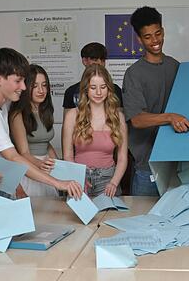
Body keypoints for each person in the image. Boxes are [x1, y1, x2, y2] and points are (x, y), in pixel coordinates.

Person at [0, 48, 82, 236]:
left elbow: (2, 161)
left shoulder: (0, 108)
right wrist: (58, 183)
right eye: (18, 81)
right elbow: (13, 156)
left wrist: (17, 191)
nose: (24, 87)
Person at [122, 6, 189, 196]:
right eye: (148, 37)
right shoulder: (134, 74)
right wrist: (170, 117)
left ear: (163, 31)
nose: (155, 41)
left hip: (177, 162)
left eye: (158, 33)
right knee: (143, 221)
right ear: (139, 39)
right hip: (148, 167)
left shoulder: (175, 66)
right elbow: (137, 120)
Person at [62, 64, 128, 197]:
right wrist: (77, 178)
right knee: (78, 217)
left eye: (103, 87)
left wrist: (114, 183)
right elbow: (67, 155)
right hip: (78, 179)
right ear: (86, 89)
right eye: (93, 87)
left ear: (109, 89)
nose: (98, 92)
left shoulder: (118, 117)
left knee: (107, 216)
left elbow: (122, 158)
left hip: (108, 179)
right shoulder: (72, 115)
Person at [8, 64, 59, 197]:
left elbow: (46, 144)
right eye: (35, 86)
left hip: (46, 167)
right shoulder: (17, 115)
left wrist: (62, 167)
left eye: (44, 85)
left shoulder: (45, 111)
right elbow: (23, 153)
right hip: (28, 169)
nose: (41, 90)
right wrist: (40, 164)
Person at [62, 42, 123, 112]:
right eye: (95, 59)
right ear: (85, 61)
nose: (99, 63)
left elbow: (119, 119)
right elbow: (67, 121)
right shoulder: (71, 92)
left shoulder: (115, 90)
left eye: (103, 60)